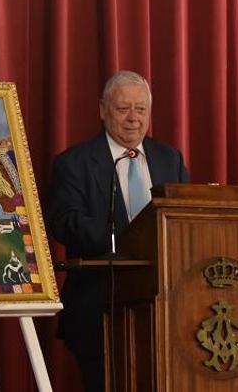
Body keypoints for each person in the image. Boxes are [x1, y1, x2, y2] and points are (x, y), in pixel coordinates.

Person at [46, 70, 190, 392]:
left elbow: (186, 220)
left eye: (140, 110)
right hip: (100, 310)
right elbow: (65, 221)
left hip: (163, 310)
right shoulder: (74, 163)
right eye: (123, 108)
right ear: (102, 110)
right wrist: (126, 239)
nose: (132, 119)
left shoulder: (171, 159)